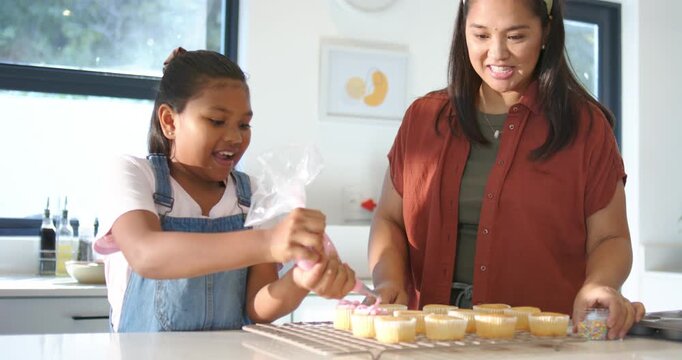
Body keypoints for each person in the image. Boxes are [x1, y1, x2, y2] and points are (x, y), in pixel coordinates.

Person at [367, 0, 645, 340]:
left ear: (545, 32)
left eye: (516, 36)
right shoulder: (423, 118)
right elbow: (389, 219)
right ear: (463, 33)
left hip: (539, 342)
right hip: (429, 338)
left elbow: (610, 238)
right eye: (481, 35)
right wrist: (389, 280)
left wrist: (600, 284)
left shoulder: (586, 127)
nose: (496, 53)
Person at [94, 48, 355, 332]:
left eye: (244, 124)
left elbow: (256, 307)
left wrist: (300, 280)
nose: (235, 137)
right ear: (170, 122)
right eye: (216, 121)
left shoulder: (251, 194)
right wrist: (267, 244)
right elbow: (146, 254)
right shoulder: (135, 175)